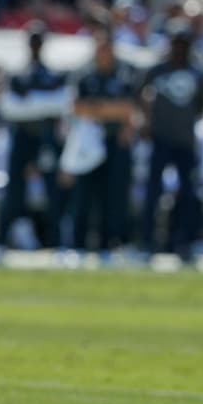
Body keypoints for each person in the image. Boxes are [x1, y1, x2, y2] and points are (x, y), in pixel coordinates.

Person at [0, 24, 69, 258]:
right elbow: (8, 107)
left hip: (45, 138)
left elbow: (61, 104)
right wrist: (43, 103)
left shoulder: (53, 74)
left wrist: (30, 102)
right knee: (13, 190)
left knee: (53, 191)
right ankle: (0, 242)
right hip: (21, 136)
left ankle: (58, 244)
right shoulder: (17, 75)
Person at [68, 28, 138, 259]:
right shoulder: (84, 74)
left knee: (114, 194)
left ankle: (109, 245)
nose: (103, 53)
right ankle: (78, 245)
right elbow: (76, 107)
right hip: (89, 141)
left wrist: (96, 109)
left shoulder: (124, 74)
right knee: (84, 193)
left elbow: (128, 108)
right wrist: (110, 109)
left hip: (115, 141)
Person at [139, 23, 203, 261]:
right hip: (160, 139)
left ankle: (182, 242)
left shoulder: (197, 73)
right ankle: (148, 241)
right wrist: (146, 122)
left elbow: (200, 105)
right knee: (153, 191)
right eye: (176, 43)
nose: (180, 49)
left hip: (185, 141)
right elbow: (140, 97)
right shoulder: (156, 71)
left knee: (187, 193)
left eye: (184, 44)